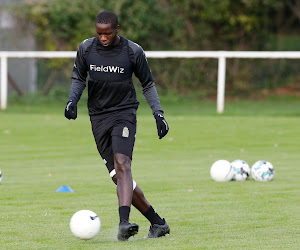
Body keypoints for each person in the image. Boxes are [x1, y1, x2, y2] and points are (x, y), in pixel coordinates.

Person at [64, 10, 170, 241]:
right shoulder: (86, 48)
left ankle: (124, 222)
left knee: (123, 164)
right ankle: (158, 223)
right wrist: (72, 100)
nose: (103, 38)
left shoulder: (133, 51)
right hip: (98, 118)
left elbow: (148, 84)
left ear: (117, 30)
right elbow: (79, 78)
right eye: (99, 34)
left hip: (124, 113)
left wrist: (158, 114)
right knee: (118, 176)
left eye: (108, 34)